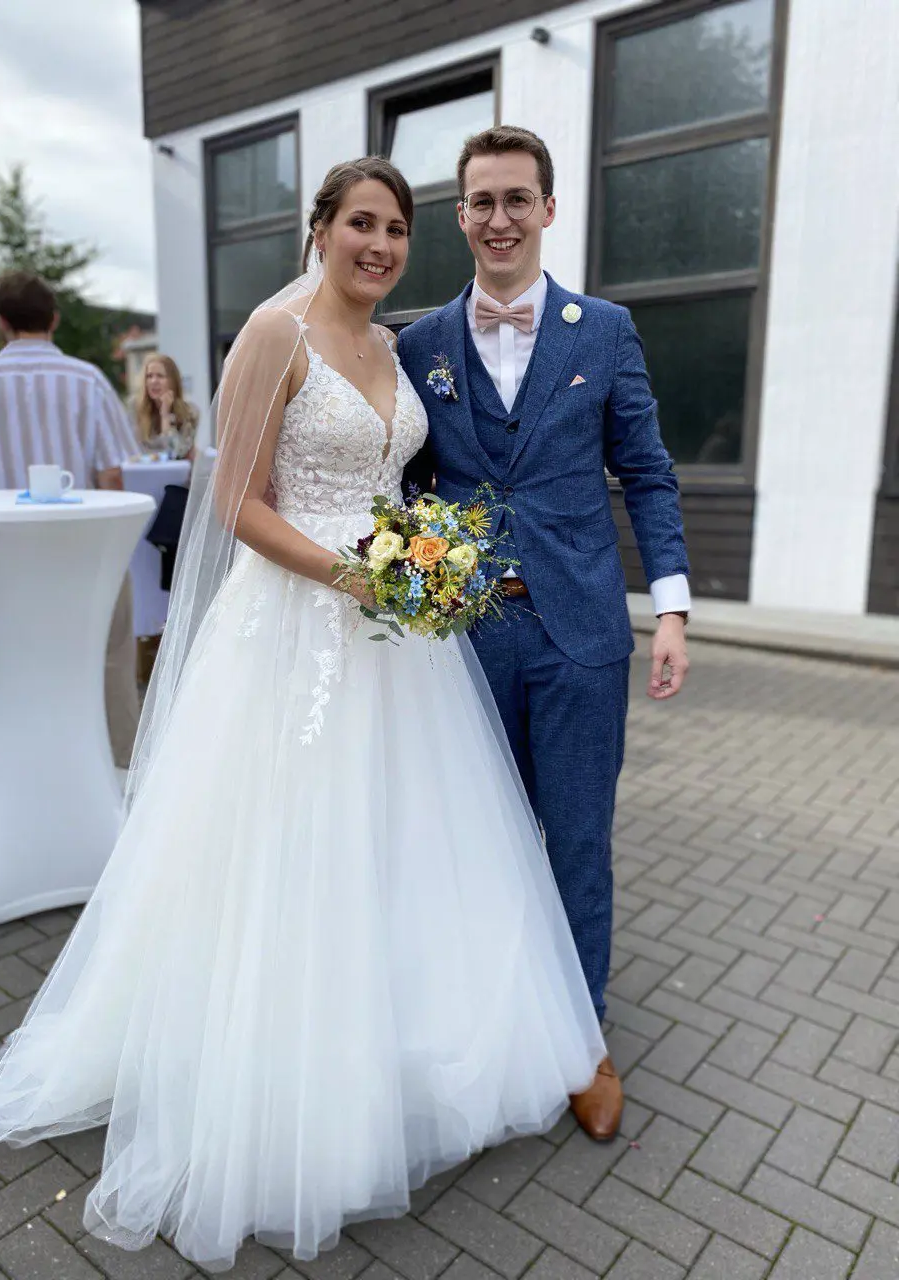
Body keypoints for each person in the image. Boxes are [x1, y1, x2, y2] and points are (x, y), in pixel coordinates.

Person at [0, 159, 606, 1270]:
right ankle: (286, 1076)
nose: (380, 244)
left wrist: (419, 564)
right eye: (361, 222)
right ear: (320, 228)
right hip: (295, 625)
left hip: (396, 637)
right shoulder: (272, 331)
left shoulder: (396, 349)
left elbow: (399, 488)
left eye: (396, 228)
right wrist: (351, 575)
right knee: (289, 845)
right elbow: (236, 500)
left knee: (400, 842)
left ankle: (401, 1049)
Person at [399, 126, 691, 1143]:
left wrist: (672, 607)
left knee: (575, 843)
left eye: (517, 198)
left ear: (549, 209)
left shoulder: (604, 330)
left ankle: (582, 1041)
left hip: (578, 629)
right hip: (464, 638)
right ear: (461, 215)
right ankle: (480, 1020)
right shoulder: (420, 342)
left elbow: (647, 472)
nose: (499, 218)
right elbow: (401, 486)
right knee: (467, 842)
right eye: (480, 201)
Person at [0, 272, 142, 768]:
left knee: (8, 665)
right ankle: (118, 769)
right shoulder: (88, 380)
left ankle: (18, 764)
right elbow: (114, 471)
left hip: (0, 558)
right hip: (85, 550)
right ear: (53, 318)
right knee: (111, 660)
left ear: (2, 322)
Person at [133, 352, 199, 459]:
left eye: (160, 376)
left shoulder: (190, 413)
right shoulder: (136, 410)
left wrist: (165, 415)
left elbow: (177, 453)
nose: (154, 381)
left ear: (173, 381)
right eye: (149, 376)